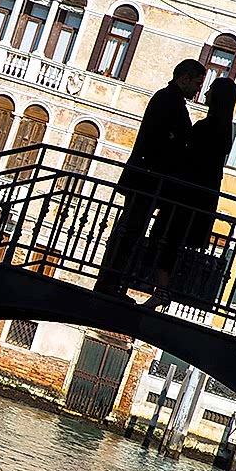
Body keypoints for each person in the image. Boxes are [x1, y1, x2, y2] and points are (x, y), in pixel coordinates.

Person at [93, 59, 206, 300]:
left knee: (130, 230)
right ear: (184, 78)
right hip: (148, 181)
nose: (198, 90)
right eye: (197, 83)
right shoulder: (168, 101)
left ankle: (112, 281)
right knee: (129, 231)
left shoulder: (167, 99)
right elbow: (166, 142)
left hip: (147, 179)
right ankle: (110, 282)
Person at [144, 76, 236, 308]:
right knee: (172, 241)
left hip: (185, 194)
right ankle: (161, 289)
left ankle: (162, 290)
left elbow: (188, 157)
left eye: (210, 90)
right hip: (201, 196)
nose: (205, 94)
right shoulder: (225, 130)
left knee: (166, 238)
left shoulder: (206, 128)